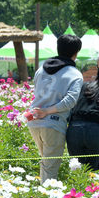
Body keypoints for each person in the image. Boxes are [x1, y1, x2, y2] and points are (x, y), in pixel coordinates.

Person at [27, 34, 83, 183]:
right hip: (53, 122)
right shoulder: (74, 74)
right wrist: (47, 111)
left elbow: (36, 92)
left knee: (46, 163)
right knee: (50, 167)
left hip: (34, 121)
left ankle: (41, 195)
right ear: (76, 53)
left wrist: (42, 111)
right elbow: (70, 101)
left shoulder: (41, 70)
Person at [66, 58, 99, 171]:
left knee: (75, 169)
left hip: (74, 128)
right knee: (91, 170)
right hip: (95, 130)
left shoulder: (85, 86)